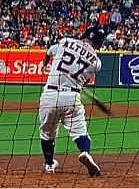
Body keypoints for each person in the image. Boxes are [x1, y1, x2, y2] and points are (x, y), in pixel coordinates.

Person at [38, 26, 105, 176]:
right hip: (72, 97)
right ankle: (85, 152)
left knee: (47, 133)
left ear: (84, 35)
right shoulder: (96, 63)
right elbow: (84, 80)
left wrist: (46, 61)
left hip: (50, 94)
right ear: (99, 44)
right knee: (80, 131)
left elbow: (49, 51)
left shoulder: (65, 41)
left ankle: (49, 165)